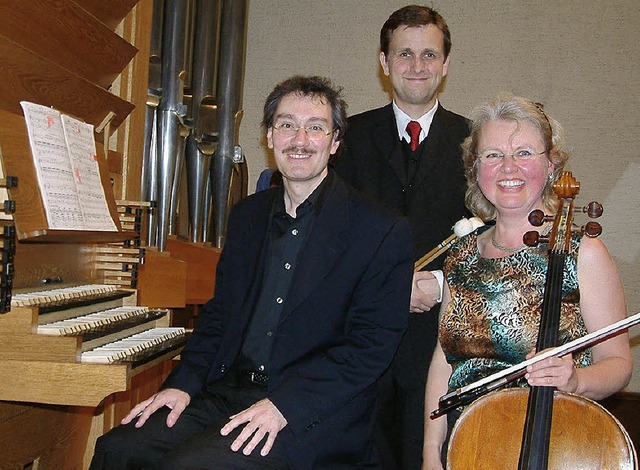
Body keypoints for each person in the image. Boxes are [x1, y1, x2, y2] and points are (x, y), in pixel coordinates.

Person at [90, 76, 414, 469]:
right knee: (120, 448)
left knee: (194, 465)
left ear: (335, 142)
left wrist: (285, 406)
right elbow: (219, 315)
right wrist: (182, 385)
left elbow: (370, 348)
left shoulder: (381, 229)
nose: (300, 139)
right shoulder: (247, 216)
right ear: (269, 137)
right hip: (229, 391)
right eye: (287, 124)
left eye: (316, 127)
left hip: (312, 410)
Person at [422, 95, 632, 469]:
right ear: (475, 168)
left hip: (555, 440)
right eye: (491, 155)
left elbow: (617, 363)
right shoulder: (462, 252)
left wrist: (575, 380)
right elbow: (444, 361)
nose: (508, 167)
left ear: (551, 166)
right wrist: (430, 452)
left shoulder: (582, 251)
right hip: (466, 445)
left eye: (523, 152)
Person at [332, 5, 470, 468]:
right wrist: (389, 287)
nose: (417, 66)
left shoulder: (474, 142)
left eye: (429, 55)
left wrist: (444, 283)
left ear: (446, 64)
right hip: (359, 334)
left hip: (439, 341)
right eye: (404, 54)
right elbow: (329, 237)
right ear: (384, 62)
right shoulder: (345, 138)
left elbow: (492, 237)